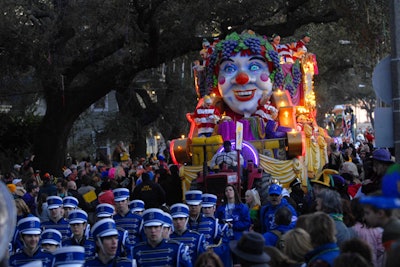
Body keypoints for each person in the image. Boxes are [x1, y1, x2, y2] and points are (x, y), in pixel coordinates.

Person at [185, 190, 231, 267]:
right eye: (190, 205)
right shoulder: (183, 223)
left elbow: (222, 245)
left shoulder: (213, 223)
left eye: (196, 205)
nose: (193, 207)